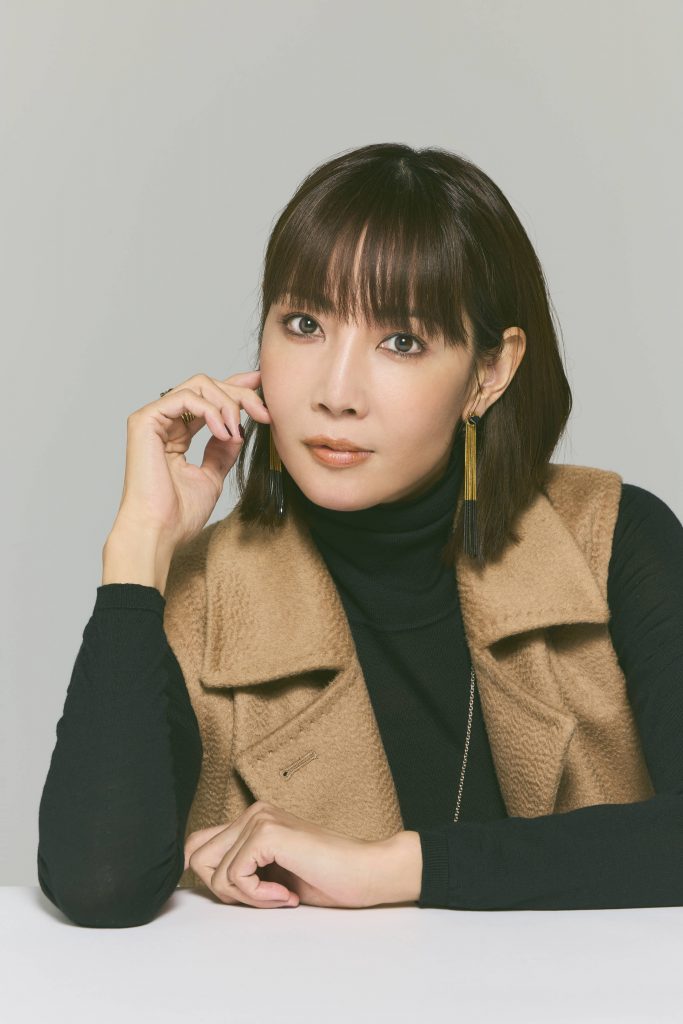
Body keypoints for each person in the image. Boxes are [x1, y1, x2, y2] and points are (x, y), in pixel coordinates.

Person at [37, 143, 683, 928]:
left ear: (488, 374)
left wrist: (393, 867)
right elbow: (99, 884)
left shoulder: (612, 542)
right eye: (303, 324)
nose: (336, 393)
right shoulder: (200, 596)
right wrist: (138, 548)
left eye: (401, 341)